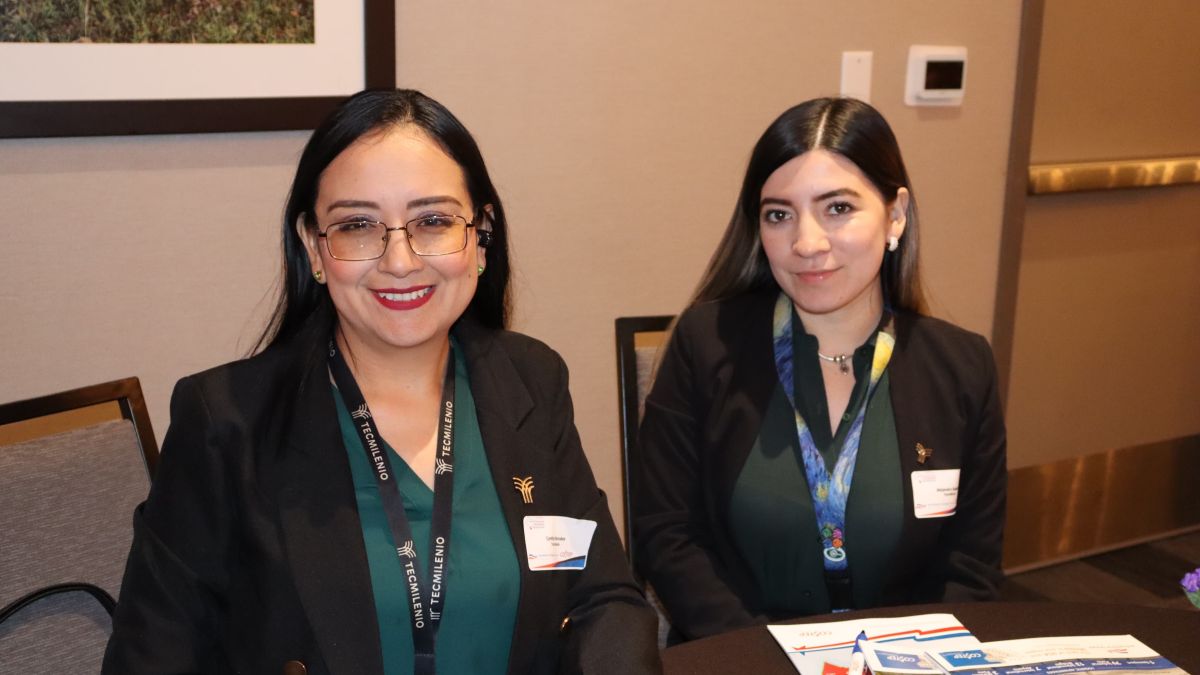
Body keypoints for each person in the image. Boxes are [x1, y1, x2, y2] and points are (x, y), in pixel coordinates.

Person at [103, 89, 661, 675]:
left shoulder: (530, 381)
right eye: (358, 226)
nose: (399, 261)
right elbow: (151, 657)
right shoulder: (225, 421)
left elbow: (602, 597)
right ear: (314, 247)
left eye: (434, 221)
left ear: (481, 237)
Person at [632, 97, 1006, 641]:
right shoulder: (707, 345)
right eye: (779, 215)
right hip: (744, 658)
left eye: (838, 208)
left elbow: (971, 568)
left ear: (895, 215)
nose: (807, 244)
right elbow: (666, 536)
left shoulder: (962, 368)